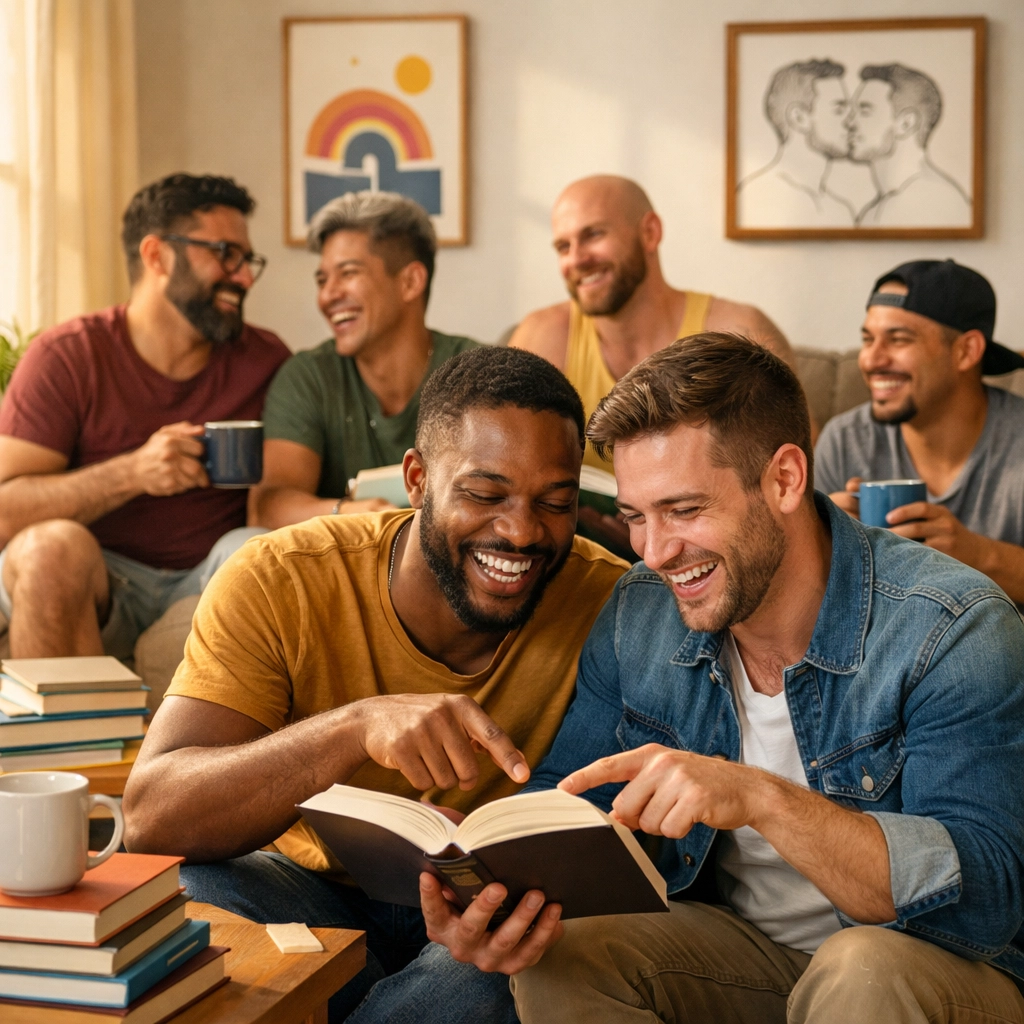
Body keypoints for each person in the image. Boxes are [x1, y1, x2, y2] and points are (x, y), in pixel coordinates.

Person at [407, 334, 1024, 1023]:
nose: (655, 552)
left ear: (785, 479)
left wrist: (760, 798)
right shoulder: (641, 610)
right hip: (741, 957)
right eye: (637, 517)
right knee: (570, 946)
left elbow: (988, 898)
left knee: (863, 968)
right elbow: (573, 794)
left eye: (685, 510)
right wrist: (493, 882)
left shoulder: (951, 625)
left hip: (932, 969)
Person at [122, 346, 628, 1021]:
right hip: (302, 886)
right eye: (484, 494)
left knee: (523, 974)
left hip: (478, 911)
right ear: (416, 479)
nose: (521, 532)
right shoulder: (282, 576)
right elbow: (150, 817)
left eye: (555, 502)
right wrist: (355, 727)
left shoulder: (612, 604)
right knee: (189, 893)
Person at [0, 174, 289, 659]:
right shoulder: (68, 356)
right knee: (51, 548)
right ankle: (64, 735)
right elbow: (5, 510)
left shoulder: (267, 360)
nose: (243, 277)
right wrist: (131, 473)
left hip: (210, 586)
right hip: (102, 583)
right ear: (156, 255)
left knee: (256, 547)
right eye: (225, 253)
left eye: (247, 260)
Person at [510, 175, 804, 555]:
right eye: (563, 246)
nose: (576, 259)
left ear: (650, 232)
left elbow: (792, 483)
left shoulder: (738, 331)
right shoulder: (543, 336)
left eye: (593, 235)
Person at [252, 191, 479, 529]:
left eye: (348, 273)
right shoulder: (308, 376)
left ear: (410, 281)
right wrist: (350, 513)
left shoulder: (478, 373)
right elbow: (268, 508)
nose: (328, 295)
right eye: (322, 280)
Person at [815, 259, 1024, 605]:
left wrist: (978, 555)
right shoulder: (844, 441)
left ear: (966, 351)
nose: (870, 360)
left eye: (898, 339)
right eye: (868, 340)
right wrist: (822, 540)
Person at [847, 64, 971, 227]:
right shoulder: (874, 211)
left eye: (865, 112)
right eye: (852, 112)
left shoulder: (934, 201)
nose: (849, 122)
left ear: (906, 123)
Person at [737, 59, 856, 226]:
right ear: (799, 118)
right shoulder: (758, 195)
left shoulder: (840, 210)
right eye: (839, 110)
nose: (852, 123)